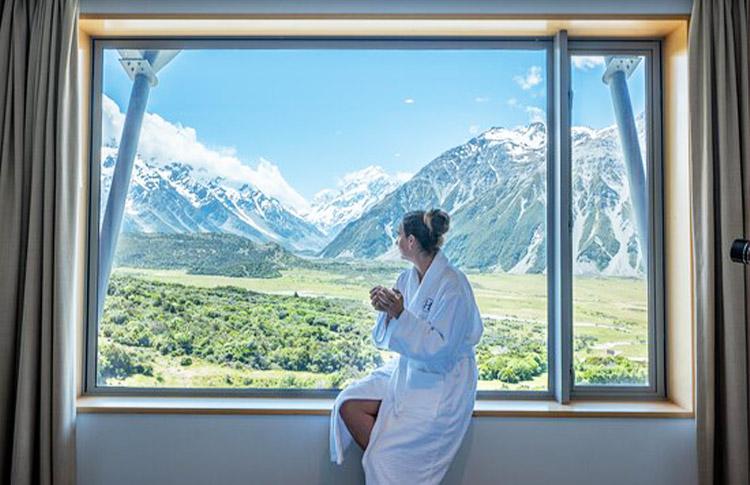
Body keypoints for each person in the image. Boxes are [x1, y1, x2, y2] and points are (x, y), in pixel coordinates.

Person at [329, 208, 484, 484]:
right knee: (348, 403)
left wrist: (401, 315)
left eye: (399, 236)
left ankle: (391, 463)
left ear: (411, 241)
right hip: (409, 368)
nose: (396, 241)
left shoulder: (453, 285)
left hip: (443, 379)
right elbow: (388, 334)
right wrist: (385, 310)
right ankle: (393, 463)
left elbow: (441, 349)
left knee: (381, 457)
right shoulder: (406, 278)